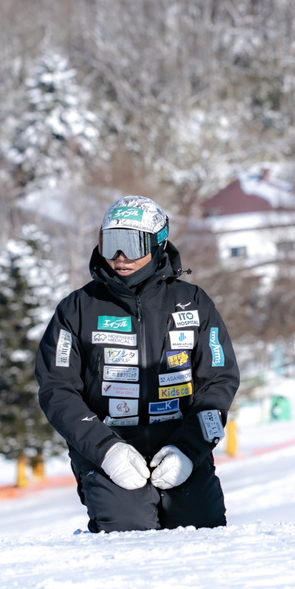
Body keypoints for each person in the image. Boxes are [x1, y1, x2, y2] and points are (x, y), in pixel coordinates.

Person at [35, 196, 240, 531]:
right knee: (128, 529)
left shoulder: (194, 303)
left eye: (132, 244)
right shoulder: (77, 310)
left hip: (181, 446)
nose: (119, 257)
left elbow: (219, 381)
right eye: (111, 243)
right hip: (109, 449)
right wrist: (104, 449)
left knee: (202, 529)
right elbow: (57, 389)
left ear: (158, 243)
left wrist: (190, 448)